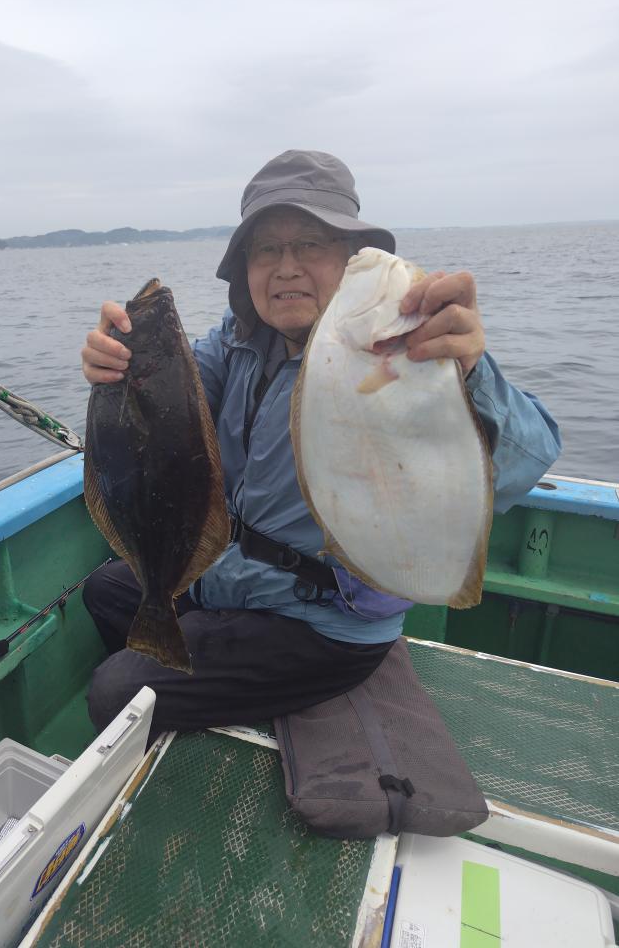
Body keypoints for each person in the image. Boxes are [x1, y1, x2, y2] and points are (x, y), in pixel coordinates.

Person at [80, 150, 561, 736]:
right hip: (232, 581)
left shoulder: (401, 351)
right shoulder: (238, 342)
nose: (286, 267)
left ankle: (206, 705)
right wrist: (119, 364)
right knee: (106, 590)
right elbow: (169, 403)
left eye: (309, 244)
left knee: (117, 693)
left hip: (321, 621)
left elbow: (526, 459)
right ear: (245, 269)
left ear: (350, 256)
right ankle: (200, 694)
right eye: (266, 249)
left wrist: (470, 373)